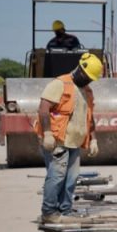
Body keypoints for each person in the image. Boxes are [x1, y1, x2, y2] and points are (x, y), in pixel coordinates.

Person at [35, 52, 102, 223]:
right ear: (80, 69)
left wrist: (93, 139)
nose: (88, 81)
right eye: (87, 77)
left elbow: (89, 117)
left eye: (91, 79)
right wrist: (47, 133)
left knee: (71, 179)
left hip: (74, 142)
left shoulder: (87, 91)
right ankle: (49, 212)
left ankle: (65, 210)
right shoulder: (60, 84)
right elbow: (43, 109)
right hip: (57, 140)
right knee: (56, 176)